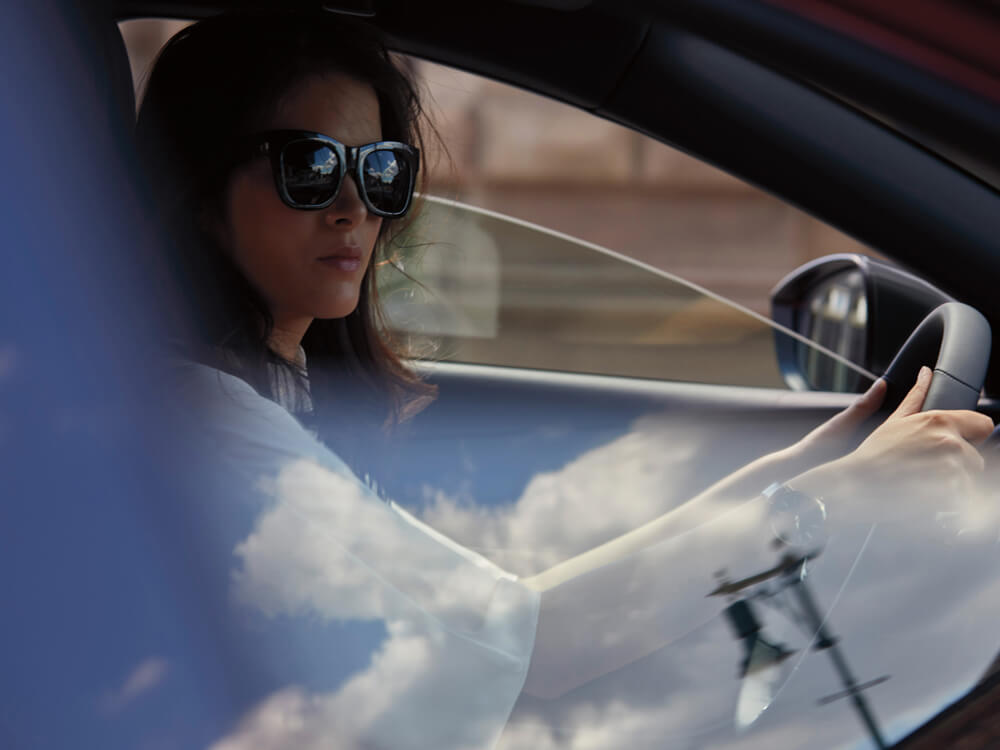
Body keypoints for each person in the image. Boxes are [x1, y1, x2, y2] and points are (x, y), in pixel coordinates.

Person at [136, 11, 995, 749]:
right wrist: (845, 501)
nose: (354, 205)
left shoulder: (265, 397)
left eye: (381, 169)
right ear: (202, 186)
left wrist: (810, 462)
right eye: (311, 166)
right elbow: (542, 642)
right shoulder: (206, 423)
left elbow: (511, 614)